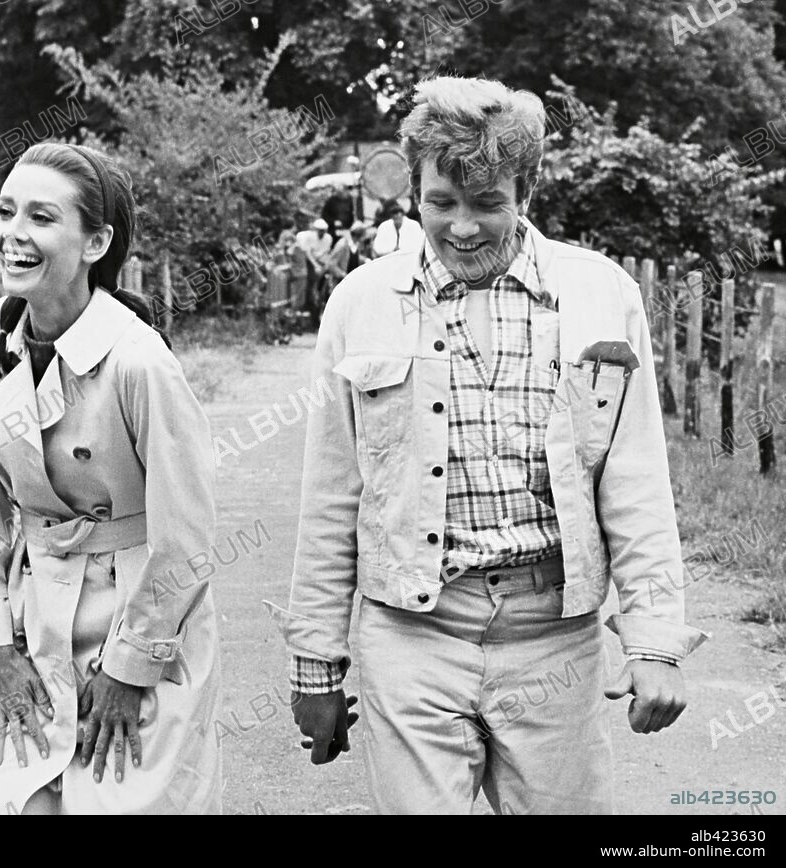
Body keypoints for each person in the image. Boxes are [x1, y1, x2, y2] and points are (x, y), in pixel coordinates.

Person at [265, 75, 707, 815]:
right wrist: (316, 665)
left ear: (525, 191)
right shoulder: (361, 304)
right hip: (411, 636)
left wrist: (655, 640)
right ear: (412, 190)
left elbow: (634, 481)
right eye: (441, 203)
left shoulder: (601, 294)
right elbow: (334, 494)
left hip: (554, 639)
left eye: (487, 204)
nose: (462, 227)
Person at [0, 142, 221, 815]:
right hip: (26, 624)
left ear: (95, 242)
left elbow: (189, 536)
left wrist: (130, 669)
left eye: (40, 217)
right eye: (6, 213)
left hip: (143, 619)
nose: (13, 235)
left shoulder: (139, 363)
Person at [295, 218, 332, 320]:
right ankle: (308, 302)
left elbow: (326, 252)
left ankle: (323, 295)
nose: (321, 233)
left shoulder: (328, 238)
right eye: (320, 230)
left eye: (323, 231)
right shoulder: (310, 237)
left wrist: (324, 265)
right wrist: (315, 265)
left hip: (322, 261)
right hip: (311, 262)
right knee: (310, 282)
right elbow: (308, 254)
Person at [326, 221, 370, 287]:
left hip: (350, 282)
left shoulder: (356, 244)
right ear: (358, 235)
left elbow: (353, 257)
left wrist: (365, 259)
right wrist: (343, 275)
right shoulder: (342, 245)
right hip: (339, 283)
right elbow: (332, 264)